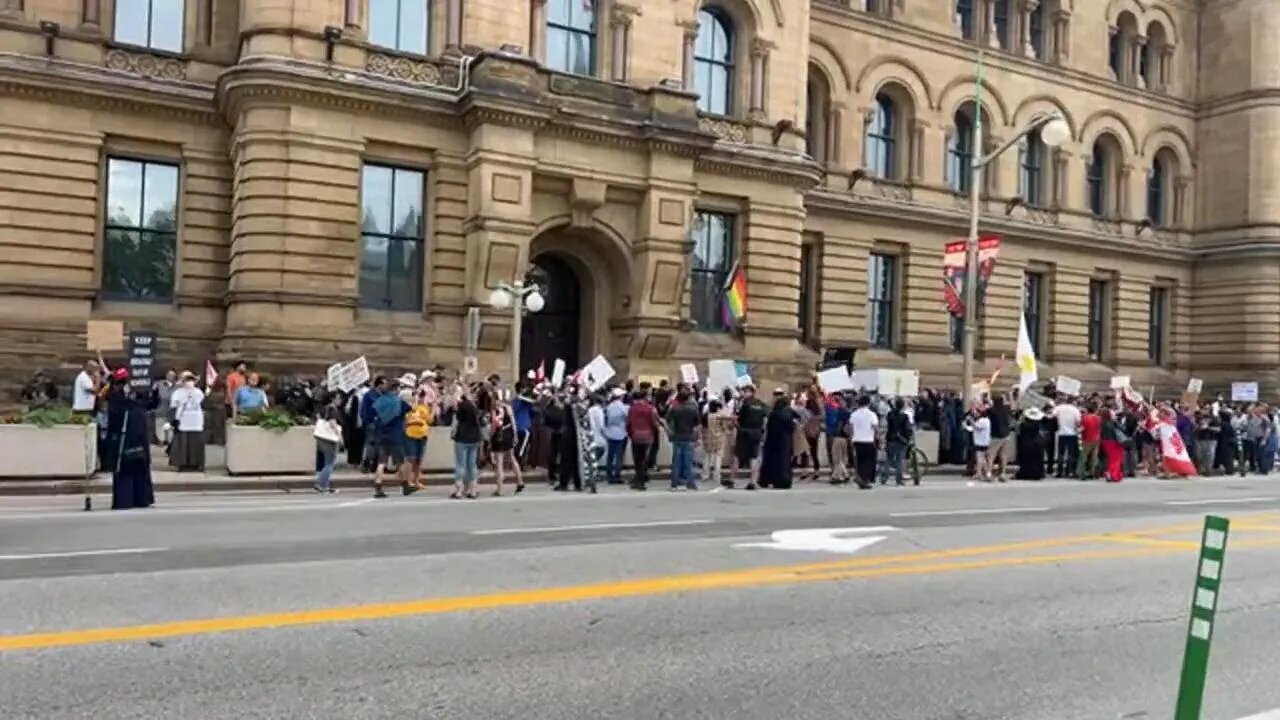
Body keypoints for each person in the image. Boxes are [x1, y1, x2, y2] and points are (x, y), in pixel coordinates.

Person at [104, 369, 154, 510]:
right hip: (123, 439)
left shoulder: (137, 397)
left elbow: (149, 404)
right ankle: (125, 499)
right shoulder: (115, 398)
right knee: (124, 470)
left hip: (138, 437)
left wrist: (151, 392)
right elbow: (116, 414)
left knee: (140, 467)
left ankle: (141, 498)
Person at [371, 379, 411, 498]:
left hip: (382, 434)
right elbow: (410, 409)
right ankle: (405, 486)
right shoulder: (399, 402)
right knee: (399, 462)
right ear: (396, 389)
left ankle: (378, 486)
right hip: (396, 435)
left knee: (381, 462)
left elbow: (374, 413)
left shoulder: (380, 401)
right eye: (399, 388)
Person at [758, 389, 797, 489]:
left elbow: (769, 426)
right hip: (785, 441)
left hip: (773, 440)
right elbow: (792, 426)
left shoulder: (773, 413)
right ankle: (783, 480)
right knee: (784, 461)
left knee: (772, 460)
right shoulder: (788, 412)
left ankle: (767, 480)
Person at [167, 371, 206, 472]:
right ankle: (182, 463)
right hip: (183, 419)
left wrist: (191, 394)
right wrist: (173, 420)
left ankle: (196, 463)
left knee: (195, 441)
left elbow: (199, 401)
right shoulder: (177, 392)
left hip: (195, 420)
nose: (189, 382)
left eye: (190, 380)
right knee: (183, 442)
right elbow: (173, 406)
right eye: (187, 380)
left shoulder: (198, 392)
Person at [451, 383, 484, 499]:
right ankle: (473, 490)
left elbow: (457, 419)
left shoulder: (462, 406)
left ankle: (459, 491)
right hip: (474, 437)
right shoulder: (474, 406)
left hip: (462, 436)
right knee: (472, 465)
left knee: (461, 464)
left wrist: (456, 399)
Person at [626, 389, 661, 491]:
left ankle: (639, 480)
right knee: (644, 459)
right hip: (647, 436)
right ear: (645, 398)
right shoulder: (650, 408)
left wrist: (630, 434)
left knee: (637, 460)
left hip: (636, 436)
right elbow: (655, 423)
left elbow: (628, 423)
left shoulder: (632, 409)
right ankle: (642, 479)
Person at [666, 389, 701, 490]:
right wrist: (696, 437)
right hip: (689, 437)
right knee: (688, 462)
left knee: (676, 461)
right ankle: (690, 482)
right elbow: (697, 425)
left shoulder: (674, 408)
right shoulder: (693, 409)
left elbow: (667, 420)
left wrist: (670, 432)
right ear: (688, 398)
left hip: (677, 436)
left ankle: (674, 483)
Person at [488, 401, 525, 496]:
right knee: (512, 458)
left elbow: (493, 426)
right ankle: (520, 481)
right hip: (508, 435)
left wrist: (490, 438)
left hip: (498, 436)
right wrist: (515, 435)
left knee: (499, 463)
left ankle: (500, 489)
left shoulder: (494, 409)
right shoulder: (508, 407)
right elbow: (513, 422)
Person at [403, 387, 433, 492]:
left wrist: (433, 408)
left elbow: (430, 420)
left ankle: (416, 480)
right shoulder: (408, 407)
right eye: (418, 395)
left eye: (422, 396)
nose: (420, 398)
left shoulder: (425, 408)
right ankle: (408, 481)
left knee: (419, 460)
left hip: (422, 435)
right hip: (410, 434)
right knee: (410, 458)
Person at [313, 392, 343, 493]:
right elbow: (332, 422)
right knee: (329, 463)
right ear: (332, 399)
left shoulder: (324, 408)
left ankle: (325, 483)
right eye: (338, 398)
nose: (340, 400)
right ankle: (322, 485)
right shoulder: (332, 409)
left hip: (321, 437)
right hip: (330, 439)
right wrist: (339, 435)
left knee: (327, 462)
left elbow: (318, 417)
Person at [849, 395, 878, 489]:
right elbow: (875, 427)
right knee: (868, 462)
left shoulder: (854, 414)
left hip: (857, 440)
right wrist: (878, 436)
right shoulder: (871, 414)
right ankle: (865, 479)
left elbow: (851, 427)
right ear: (868, 403)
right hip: (868, 440)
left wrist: (851, 438)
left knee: (860, 461)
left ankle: (860, 478)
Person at [602, 388, 629, 485]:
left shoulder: (609, 407)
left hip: (610, 433)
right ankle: (617, 475)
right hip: (621, 433)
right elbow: (627, 419)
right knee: (619, 456)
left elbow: (606, 419)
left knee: (610, 456)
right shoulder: (623, 407)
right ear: (621, 396)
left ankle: (609, 475)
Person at [1015, 407, 1047, 480]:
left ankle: (1026, 473)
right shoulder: (1039, 424)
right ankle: (1038, 473)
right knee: (1038, 459)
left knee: (1027, 459)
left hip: (1027, 443)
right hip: (1038, 443)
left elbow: (1019, 431)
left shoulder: (1024, 425)